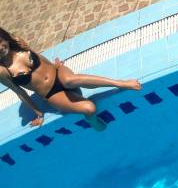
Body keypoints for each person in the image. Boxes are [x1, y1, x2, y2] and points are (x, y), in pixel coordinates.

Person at [0, 27, 141, 131]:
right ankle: (92, 121)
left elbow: (39, 57)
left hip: (59, 73)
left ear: (5, 37)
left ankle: (120, 83)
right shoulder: (2, 71)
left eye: (0, 41)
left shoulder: (19, 44)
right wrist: (39, 114)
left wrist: (55, 65)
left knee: (69, 80)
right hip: (51, 94)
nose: (0, 47)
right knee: (90, 108)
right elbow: (19, 92)